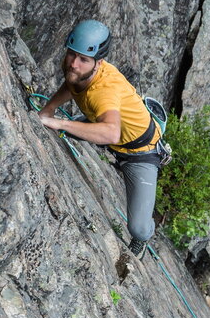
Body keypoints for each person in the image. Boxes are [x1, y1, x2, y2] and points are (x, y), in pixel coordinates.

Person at [39, 19, 162, 260]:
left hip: (140, 154)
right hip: (108, 130)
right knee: (64, 122)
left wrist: (59, 122)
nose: (74, 64)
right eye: (72, 55)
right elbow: (72, 84)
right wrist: (49, 110)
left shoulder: (103, 90)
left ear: (99, 62)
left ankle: (144, 236)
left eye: (83, 59)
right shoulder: (82, 72)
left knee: (137, 227)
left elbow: (111, 133)